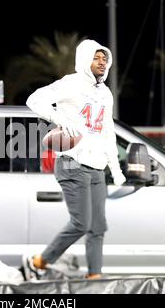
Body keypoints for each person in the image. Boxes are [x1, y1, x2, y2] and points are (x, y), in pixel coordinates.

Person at [25, 39, 126, 279]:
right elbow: (34, 99)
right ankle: (39, 262)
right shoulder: (71, 83)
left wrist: (115, 166)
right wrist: (59, 118)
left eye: (104, 58)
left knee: (98, 227)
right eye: (96, 58)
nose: (102, 63)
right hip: (72, 163)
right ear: (84, 59)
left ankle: (94, 277)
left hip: (97, 167)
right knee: (81, 223)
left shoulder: (105, 93)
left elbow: (107, 131)